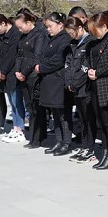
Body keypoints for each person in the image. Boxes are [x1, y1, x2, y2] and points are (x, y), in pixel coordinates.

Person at [87, 11, 108, 170]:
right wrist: (89, 70)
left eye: (96, 29)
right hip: (94, 85)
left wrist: (98, 73)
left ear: (105, 26)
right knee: (100, 121)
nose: (94, 33)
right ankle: (106, 152)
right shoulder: (94, 42)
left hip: (106, 85)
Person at [37, 12, 73, 156]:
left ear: (60, 25)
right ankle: (58, 140)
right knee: (55, 114)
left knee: (63, 114)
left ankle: (66, 142)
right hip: (49, 81)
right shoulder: (51, 38)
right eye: (46, 27)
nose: (48, 29)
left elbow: (59, 59)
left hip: (59, 81)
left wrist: (42, 67)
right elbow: (42, 55)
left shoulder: (65, 39)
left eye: (50, 26)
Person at [14, 10, 49, 149]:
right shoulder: (23, 37)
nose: (20, 30)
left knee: (36, 108)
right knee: (29, 106)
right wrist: (17, 70)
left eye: (21, 26)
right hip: (22, 76)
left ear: (29, 23)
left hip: (33, 76)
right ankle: (33, 136)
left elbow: (36, 56)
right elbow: (19, 55)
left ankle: (38, 137)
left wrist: (24, 72)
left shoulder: (39, 34)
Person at [65, 16, 97, 163]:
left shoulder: (89, 42)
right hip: (75, 88)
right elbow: (68, 64)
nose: (71, 36)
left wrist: (76, 82)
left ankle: (90, 148)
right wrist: (69, 82)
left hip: (85, 88)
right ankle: (84, 146)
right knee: (82, 119)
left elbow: (86, 66)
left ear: (79, 28)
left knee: (88, 119)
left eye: (72, 32)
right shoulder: (73, 44)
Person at [0, 14, 26, 144]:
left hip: (12, 73)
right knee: (12, 102)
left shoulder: (15, 34)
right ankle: (15, 128)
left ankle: (20, 129)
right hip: (4, 73)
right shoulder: (2, 36)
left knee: (17, 102)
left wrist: (4, 70)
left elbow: (11, 55)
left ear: (4, 24)